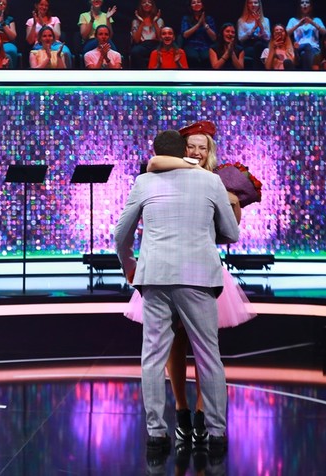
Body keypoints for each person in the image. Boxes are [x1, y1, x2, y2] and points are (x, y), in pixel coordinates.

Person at [125, 120, 256, 445]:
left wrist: (129, 263)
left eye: (202, 147)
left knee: (161, 355)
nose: (197, 151)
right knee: (196, 352)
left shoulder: (204, 179)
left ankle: (168, 430)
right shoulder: (196, 179)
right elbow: (231, 234)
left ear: (210, 151)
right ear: (181, 149)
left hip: (162, 274)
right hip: (196, 275)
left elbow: (121, 232)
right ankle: (202, 424)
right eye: (191, 146)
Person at [286, 0, 326, 70]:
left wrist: (312, 23)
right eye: (302, 3)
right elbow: (286, 33)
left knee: (304, 53)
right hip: (298, 47)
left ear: (310, 7)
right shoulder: (293, 20)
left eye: (307, 2)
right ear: (299, 6)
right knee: (307, 46)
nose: (304, 4)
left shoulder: (317, 20)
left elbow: (324, 32)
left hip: (314, 48)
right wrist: (298, 25)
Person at [180, 0, 216, 69]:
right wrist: (198, 24)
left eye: (199, 2)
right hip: (190, 45)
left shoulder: (209, 18)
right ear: (190, 6)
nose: (196, 4)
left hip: (205, 46)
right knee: (193, 57)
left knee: (206, 57)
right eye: (193, 3)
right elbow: (185, 35)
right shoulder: (186, 18)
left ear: (202, 4)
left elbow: (214, 38)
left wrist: (204, 24)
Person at [130, 0, 164, 69]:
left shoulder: (159, 20)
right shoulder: (136, 21)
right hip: (142, 45)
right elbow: (136, 40)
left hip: (156, 44)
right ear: (141, 5)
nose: (147, 4)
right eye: (144, 2)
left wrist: (155, 22)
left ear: (152, 5)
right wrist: (142, 23)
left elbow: (161, 38)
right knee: (135, 52)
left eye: (149, 2)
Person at [237, 0, 271, 69]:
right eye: (250, 3)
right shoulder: (241, 20)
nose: (253, 5)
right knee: (256, 47)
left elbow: (268, 38)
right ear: (247, 5)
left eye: (255, 3)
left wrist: (261, 26)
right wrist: (254, 28)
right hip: (248, 45)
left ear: (259, 5)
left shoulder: (265, 20)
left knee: (259, 45)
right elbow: (240, 38)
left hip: (262, 44)